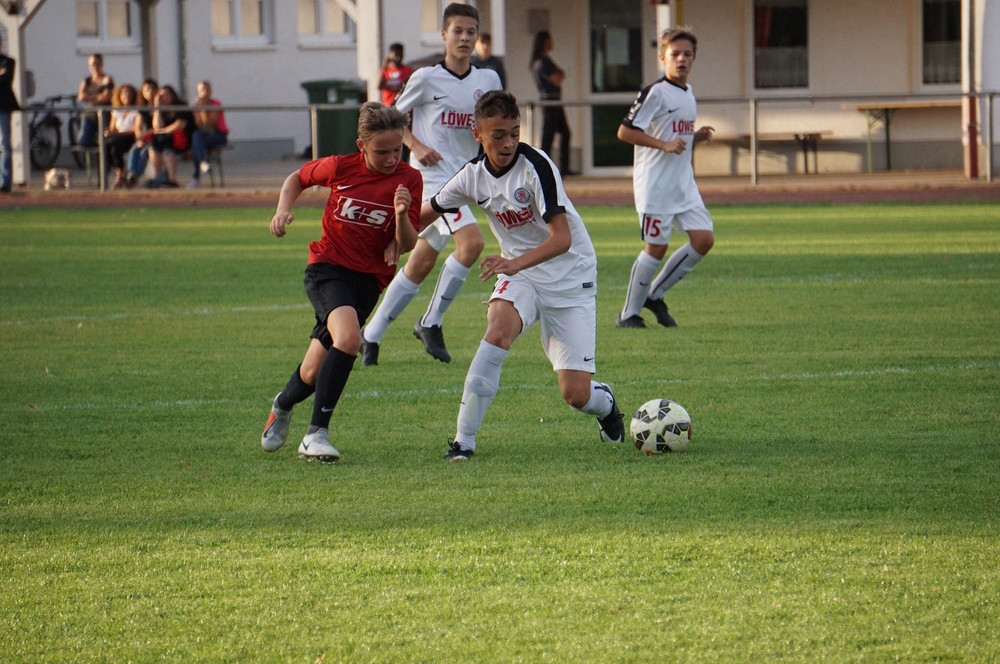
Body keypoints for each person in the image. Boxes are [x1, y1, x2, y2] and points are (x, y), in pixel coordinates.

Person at [420, 90, 624, 461]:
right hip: (522, 275)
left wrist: (514, 263)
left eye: (514, 133)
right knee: (498, 328)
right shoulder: (471, 176)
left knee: (576, 395)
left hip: (570, 275)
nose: (508, 143)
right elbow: (424, 214)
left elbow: (562, 239)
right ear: (477, 134)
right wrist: (393, 220)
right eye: (498, 135)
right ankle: (464, 442)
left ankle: (606, 404)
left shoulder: (536, 167)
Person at [260, 102, 422, 462]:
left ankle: (282, 404)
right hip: (328, 268)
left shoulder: (410, 179)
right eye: (382, 152)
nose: (391, 158)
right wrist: (282, 210)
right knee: (349, 338)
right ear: (361, 146)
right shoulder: (340, 167)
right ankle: (315, 435)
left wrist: (400, 215)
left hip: (369, 282)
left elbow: (409, 242)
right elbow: (298, 178)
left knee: (312, 371)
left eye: (397, 150)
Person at [359, 3, 502, 366]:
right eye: (458, 31)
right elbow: (390, 118)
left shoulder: (488, 81)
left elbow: (494, 126)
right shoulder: (425, 78)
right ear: (444, 35)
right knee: (472, 243)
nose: (465, 38)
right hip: (432, 180)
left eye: (471, 32)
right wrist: (416, 146)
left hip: (466, 180)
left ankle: (370, 335)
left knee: (421, 261)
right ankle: (430, 321)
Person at [615, 27, 715, 329]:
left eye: (687, 54)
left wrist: (694, 138)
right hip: (655, 185)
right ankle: (628, 315)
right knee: (656, 247)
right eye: (675, 54)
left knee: (703, 240)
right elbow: (625, 132)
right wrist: (664, 145)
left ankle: (654, 294)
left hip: (683, 184)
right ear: (663, 57)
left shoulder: (688, 93)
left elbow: (676, 136)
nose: (681, 59)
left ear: (694, 58)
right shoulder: (655, 92)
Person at [530, 31, 572, 175]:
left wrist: (560, 73)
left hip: (555, 99)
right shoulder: (541, 62)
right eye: (550, 40)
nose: (552, 42)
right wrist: (559, 73)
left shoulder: (546, 60)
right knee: (548, 135)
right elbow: (557, 78)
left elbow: (561, 74)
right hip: (549, 100)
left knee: (564, 133)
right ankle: (543, 167)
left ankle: (564, 168)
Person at [146, 85, 192, 189]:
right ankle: (157, 177)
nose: (165, 98)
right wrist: (157, 107)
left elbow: (180, 125)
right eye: (162, 96)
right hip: (166, 140)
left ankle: (172, 180)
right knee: (153, 148)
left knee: (168, 151)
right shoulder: (162, 110)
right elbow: (157, 126)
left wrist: (162, 131)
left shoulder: (181, 107)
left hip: (182, 140)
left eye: (167, 95)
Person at [186, 80, 229, 189]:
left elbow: (210, 124)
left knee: (197, 145)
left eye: (206, 90)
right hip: (204, 136)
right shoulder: (196, 106)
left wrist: (203, 110)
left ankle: (196, 175)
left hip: (219, 134)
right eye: (201, 90)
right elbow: (200, 126)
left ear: (210, 91)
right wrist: (199, 110)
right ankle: (202, 163)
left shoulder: (216, 104)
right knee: (196, 136)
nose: (204, 93)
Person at [124, 77, 158, 187]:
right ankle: (131, 174)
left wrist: (147, 134)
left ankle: (135, 176)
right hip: (145, 138)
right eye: (146, 89)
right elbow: (137, 127)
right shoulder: (142, 110)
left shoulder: (159, 108)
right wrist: (140, 138)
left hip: (156, 138)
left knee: (145, 151)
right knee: (135, 149)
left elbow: (158, 127)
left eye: (152, 88)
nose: (150, 92)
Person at [104, 84, 139, 189]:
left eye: (129, 93)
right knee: (106, 146)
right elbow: (112, 127)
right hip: (117, 137)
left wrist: (119, 134)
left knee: (115, 147)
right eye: (124, 93)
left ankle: (119, 177)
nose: (126, 96)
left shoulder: (136, 111)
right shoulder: (116, 111)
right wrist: (108, 132)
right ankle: (110, 173)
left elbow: (135, 129)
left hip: (130, 137)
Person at [76, 53, 114, 148]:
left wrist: (88, 97)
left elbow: (106, 97)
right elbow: (81, 97)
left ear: (102, 64)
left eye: (97, 64)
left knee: (105, 140)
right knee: (83, 141)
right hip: (90, 114)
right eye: (92, 65)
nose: (95, 67)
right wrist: (98, 96)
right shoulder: (86, 81)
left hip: (104, 114)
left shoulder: (107, 79)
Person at [0, 34, 19, 194]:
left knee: (4, 143)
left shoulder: (8, 61)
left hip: (3, 107)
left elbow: (5, 79)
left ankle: (4, 182)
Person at [377, 42, 413, 107]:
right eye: (396, 55)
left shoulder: (407, 70)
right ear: (390, 55)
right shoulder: (385, 70)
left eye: (400, 55)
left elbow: (403, 88)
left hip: (402, 105)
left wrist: (386, 86)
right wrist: (384, 66)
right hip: (388, 105)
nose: (398, 58)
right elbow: (379, 86)